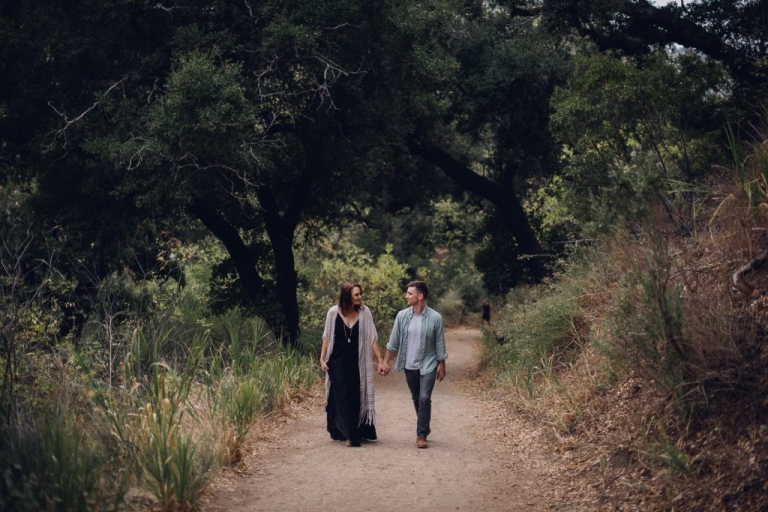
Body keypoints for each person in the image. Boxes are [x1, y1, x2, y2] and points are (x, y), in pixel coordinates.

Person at [380, 280, 447, 449]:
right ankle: (424, 424)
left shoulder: (435, 318)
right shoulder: (402, 316)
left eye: (410, 293)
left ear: (420, 296)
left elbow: (440, 344)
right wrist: (385, 361)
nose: (406, 296)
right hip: (409, 365)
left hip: (428, 364)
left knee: (425, 398)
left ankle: (421, 435)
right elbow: (393, 341)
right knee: (417, 398)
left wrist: (442, 366)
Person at [320, 281, 386, 447]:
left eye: (360, 294)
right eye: (356, 294)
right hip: (336, 362)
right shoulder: (333, 312)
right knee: (341, 396)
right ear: (347, 296)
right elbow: (327, 337)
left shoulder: (365, 313)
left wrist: (379, 358)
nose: (360, 297)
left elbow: (372, 338)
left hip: (357, 363)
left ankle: (353, 431)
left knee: (354, 396)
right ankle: (350, 436)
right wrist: (322, 359)